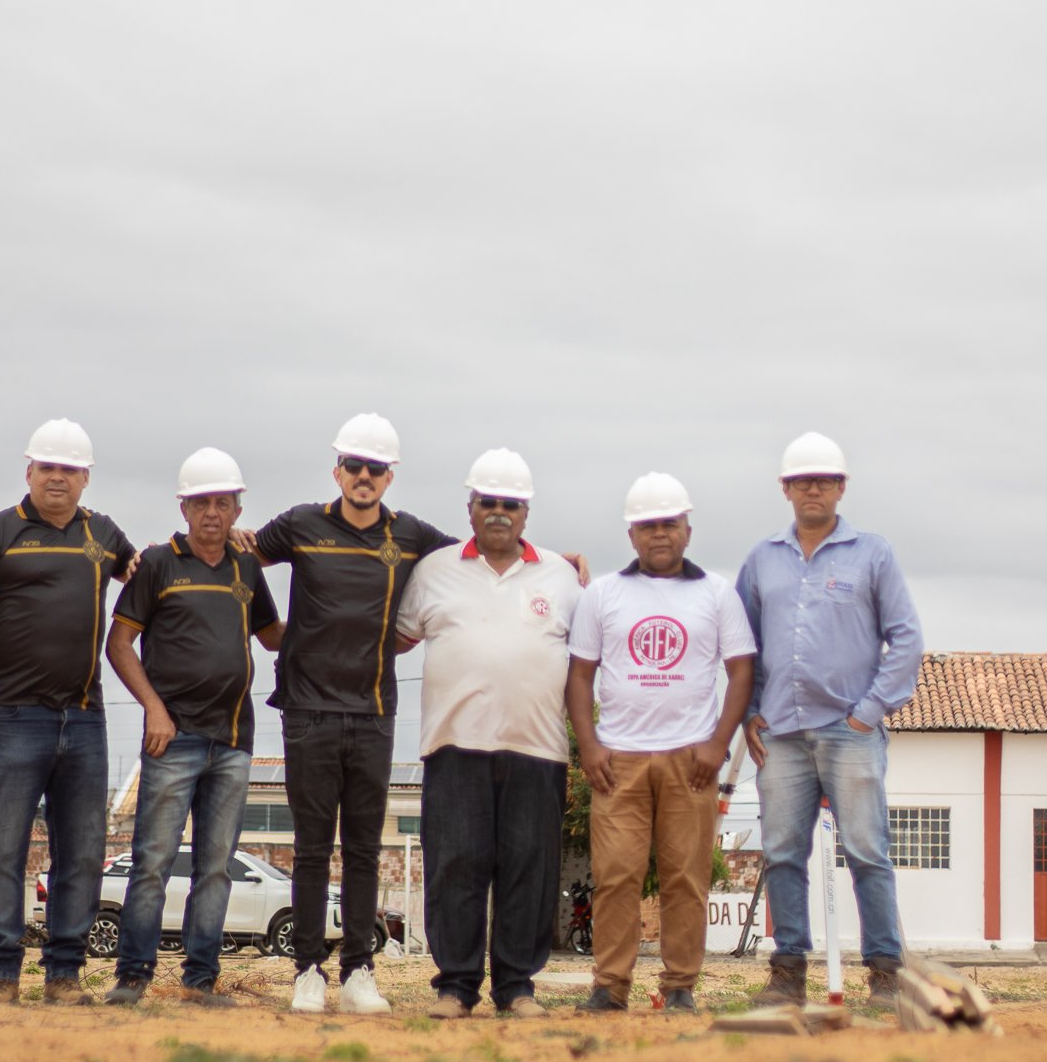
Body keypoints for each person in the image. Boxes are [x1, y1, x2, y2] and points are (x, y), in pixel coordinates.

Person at [250, 414, 457, 1015]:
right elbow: (240, 554)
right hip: (307, 712)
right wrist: (269, 629)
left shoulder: (410, 535)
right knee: (312, 849)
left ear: (390, 477)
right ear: (337, 469)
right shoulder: (300, 524)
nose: (364, 476)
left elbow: (472, 558)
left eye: (376, 468)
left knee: (364, 849)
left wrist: (547, 558)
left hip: (372, 713)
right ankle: (307, 972)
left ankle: (359, 971)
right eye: (355, 465)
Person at [0, 419, 135, 1005]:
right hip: (10, 718)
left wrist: (223, 546)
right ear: (28, 471)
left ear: (86, 478)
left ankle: (64, 976)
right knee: (3, 849)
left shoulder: (104, 534)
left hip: (84, 718)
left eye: (70, 469)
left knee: (81, 853)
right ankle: (1, 974)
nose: (58, 477)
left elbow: (152, 574)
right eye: (48, 467)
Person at [734, 432, 923, 1007]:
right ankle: (787, 973)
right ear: (785, 489)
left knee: (867, 852)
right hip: (781, 736)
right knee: (782, 853)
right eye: (801, 481)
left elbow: (906, 639)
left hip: (850, 731)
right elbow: (741, 645)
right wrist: (749, 712)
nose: (812, 489)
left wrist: (868, 714)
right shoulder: (761, 559)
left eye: (823, 480)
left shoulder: (873, 554)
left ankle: (885, 974)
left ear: (841, 487)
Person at [395, 449, 580, 1018]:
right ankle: (455, 986)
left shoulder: (562, 575)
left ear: (526, 512)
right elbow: (396, 639)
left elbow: (587, 658)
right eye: (488, 501)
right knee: (456, 865)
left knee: (528, 867)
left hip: (538, 747)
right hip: (454, 746)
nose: (499, 511)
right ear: (470, 507)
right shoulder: (435, 570)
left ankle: (517, 987)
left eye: (511, 504)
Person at [566, 474, 756, 1015]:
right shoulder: (603, 593)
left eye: (669, 523)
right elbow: (579, 675)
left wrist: (718, 744)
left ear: (687, 529)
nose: (659, 534)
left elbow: (741, 671)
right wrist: (589, 747)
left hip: (691, 761)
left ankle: (679, 988)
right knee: (615, 877)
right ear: (631, 534)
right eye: (647, 525)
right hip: (618, 761)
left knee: (685, 878)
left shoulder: (716, 593)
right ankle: (609, 987)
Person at [103, 449, 283, 1009]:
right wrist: (154, 709)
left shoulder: (246, 568)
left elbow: (273, 637)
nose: (212, 512)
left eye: (222, 503)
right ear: (183, 507)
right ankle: (132, 977)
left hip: (233, 742)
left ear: (237, 509)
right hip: (173, 739)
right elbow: (119, 645)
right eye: (201, 502)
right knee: (152, 863)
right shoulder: (158, 564)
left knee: (215, 870)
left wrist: (337, 614)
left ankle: (199, 982)